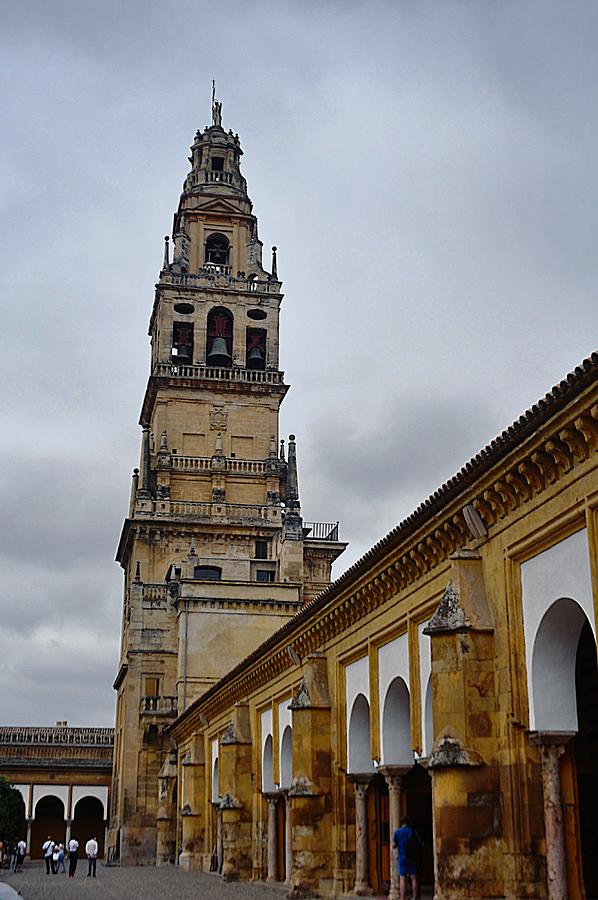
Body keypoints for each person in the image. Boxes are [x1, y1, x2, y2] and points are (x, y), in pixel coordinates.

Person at [392, 815, 422, 900]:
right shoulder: (413, 831)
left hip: (402, 857)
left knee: (402, 878)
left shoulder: (397, 832)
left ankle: (402, 898)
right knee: (413, 878)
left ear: (401, 822)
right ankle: (415, 897)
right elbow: (420, 842)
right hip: (412, 857)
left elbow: (394, 845)